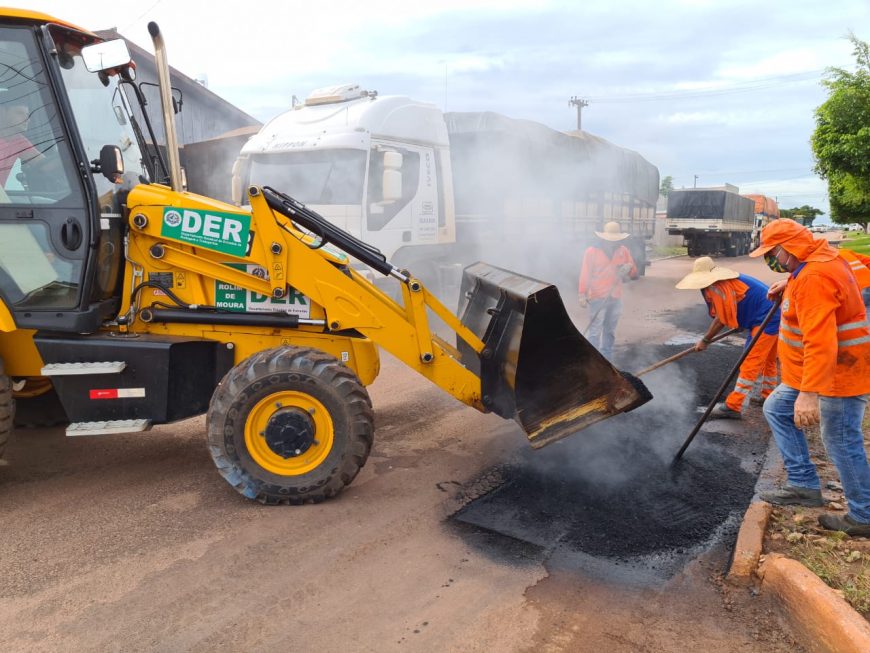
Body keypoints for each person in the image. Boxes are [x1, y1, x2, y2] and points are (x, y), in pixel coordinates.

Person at [750, 219, 870, 537]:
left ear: (789, 247)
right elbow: (810, 285)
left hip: (835, 373)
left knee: (842, 441)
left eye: (774, 251)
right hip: (813, 371)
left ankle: (864, 516)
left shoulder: (814, 276)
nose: (772, 259)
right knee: (776, 409)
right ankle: (803, 485)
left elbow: (820, 340)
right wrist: (788, 286)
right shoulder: (815, 260)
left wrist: (809, 393)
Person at [675, 256, 780, 418]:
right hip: (773, 314)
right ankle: (769, 395)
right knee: (768, 359)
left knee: (750, 361)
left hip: (767, 319)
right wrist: (739, 323)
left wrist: (705, 340)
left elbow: (721, 320)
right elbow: (738, 304)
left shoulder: (718, 287)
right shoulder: (726, 282)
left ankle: (733, 406)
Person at [578, 221, 638, 360]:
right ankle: (593, 359)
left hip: (615, 297)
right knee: (595, 331)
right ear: (603, 238)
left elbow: (634, 273)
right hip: (597, 296)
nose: (612, 243)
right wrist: (582, 293)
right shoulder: (592, 251)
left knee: (609, 331)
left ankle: (607, 360)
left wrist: (628, 268)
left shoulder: (623, 250)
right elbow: (585, 273)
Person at [0, 102, 44, 187]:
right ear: (2, 112)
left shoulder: (19, 140)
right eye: (20, 113)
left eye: (27, 114)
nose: (27, 119)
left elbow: (43, 164)